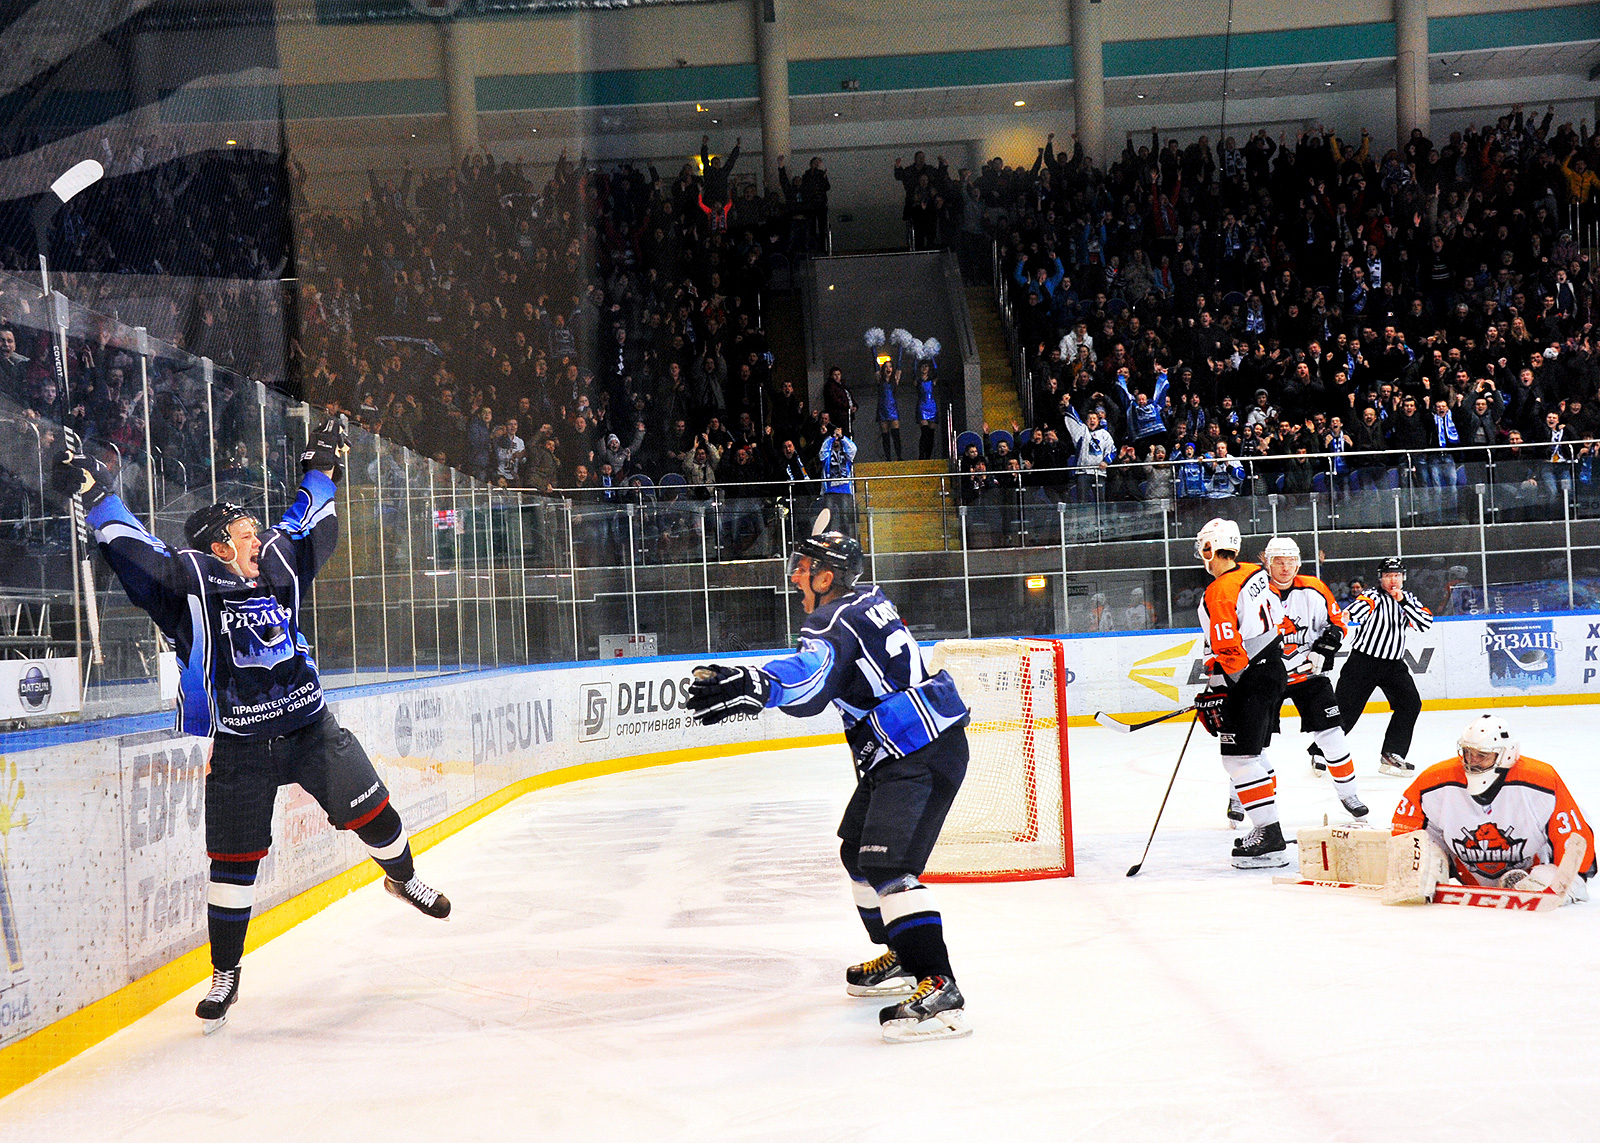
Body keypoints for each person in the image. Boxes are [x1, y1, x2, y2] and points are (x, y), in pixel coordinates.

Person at [51, 419, 450, 1033]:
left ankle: (405, 878)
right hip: (240, 748)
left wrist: (323, 466)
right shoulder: (189, 585)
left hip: (310, 729)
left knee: (380, 818)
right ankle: (226, 973)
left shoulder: (277, 566)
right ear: (218, 548)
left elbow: (307, 518)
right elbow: (133, 548)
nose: (259, 537)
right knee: (233, 864)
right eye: (245, 534)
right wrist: (93, 492)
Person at [684, 532, 973, 1043]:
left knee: (887, 865)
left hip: (918, 751)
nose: (794, 574)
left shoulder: (831, 619)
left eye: (803, 565)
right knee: (857, 855)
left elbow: (813, 677)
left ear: (827, 576)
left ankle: (939, 988)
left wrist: (757, 682)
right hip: (913, 748)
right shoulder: (870, 599)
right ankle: (906, 959)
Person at [1392, 714, 1595, 899]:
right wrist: (1410, 867)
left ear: (1506, 754)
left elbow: (1573, 835)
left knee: (1549, 884)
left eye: (1481, 755)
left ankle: (1533, 883)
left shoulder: (1541, 782)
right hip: (1463, 873)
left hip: (1532, 872)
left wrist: (1573, 876)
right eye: (1467, 753)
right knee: (1419, 872)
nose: (1471, 762)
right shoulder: (1435, 780)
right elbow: (1406, 828)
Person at [1192, 517, 1290, 867]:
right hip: (1273, 668)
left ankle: (1269, 833)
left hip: (1250, 679)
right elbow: (1276, 614)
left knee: (1238, 758)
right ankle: (1268, 827)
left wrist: (1216, 689)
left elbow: (1230, 651)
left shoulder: (1218, 592)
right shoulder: (1254, 571)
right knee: (1255, 753)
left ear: (1210, 549)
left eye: (1203, 548)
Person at [1259, 537, 1368, 822]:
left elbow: (1338, 623)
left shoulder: (1314, 589)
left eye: (1290, 561)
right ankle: (1240, 797)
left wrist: (1326, 645)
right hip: (1267, 677)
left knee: (1333, 734)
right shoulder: (1254, 592)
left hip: (1308, 675)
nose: (1285, 568)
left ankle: (1349, 794)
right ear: (1266, 563)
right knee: (1253, 741)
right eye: (1278, 562)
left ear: (1298, 562)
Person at [1335, 556, 1433, 775]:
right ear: (1381, 578)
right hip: (1363, 662)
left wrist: (1403, 602)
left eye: (1396, 575)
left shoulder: (1408, 599)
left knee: (1410, 704)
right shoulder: (1371, 596)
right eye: (1388, 576)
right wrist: (1347, 614)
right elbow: (1360, 608)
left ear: (1403, 578)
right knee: (1347, 711)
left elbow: (1425, 623)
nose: (1392, 580)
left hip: (1393, 666)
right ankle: (1322, 751)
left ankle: (1392, 753)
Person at [818, 424, 858, 537]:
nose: (836, 441)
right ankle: (826, 543)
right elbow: (823, 449)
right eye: (835, 439)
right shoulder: (826, 454)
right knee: (827, 519)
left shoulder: (847, 454)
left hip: (844, 491)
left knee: (845, 519)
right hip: (829, 491)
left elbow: (853, 449)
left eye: (837, 439)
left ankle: (847, 541)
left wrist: (842, 437)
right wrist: (831, 437)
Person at [875, 360, 903, 461]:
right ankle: (888, 458)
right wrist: (872, 347)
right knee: (885, 436)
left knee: (896, 434)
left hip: (893, 408)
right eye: (886, 367)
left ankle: (899, 457)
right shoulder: (880, 379)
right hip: (883, 409)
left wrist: (901, 345)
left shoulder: (895, 379)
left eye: (890, 367)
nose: (888, 369)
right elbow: (876, 366)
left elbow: (899, 364)